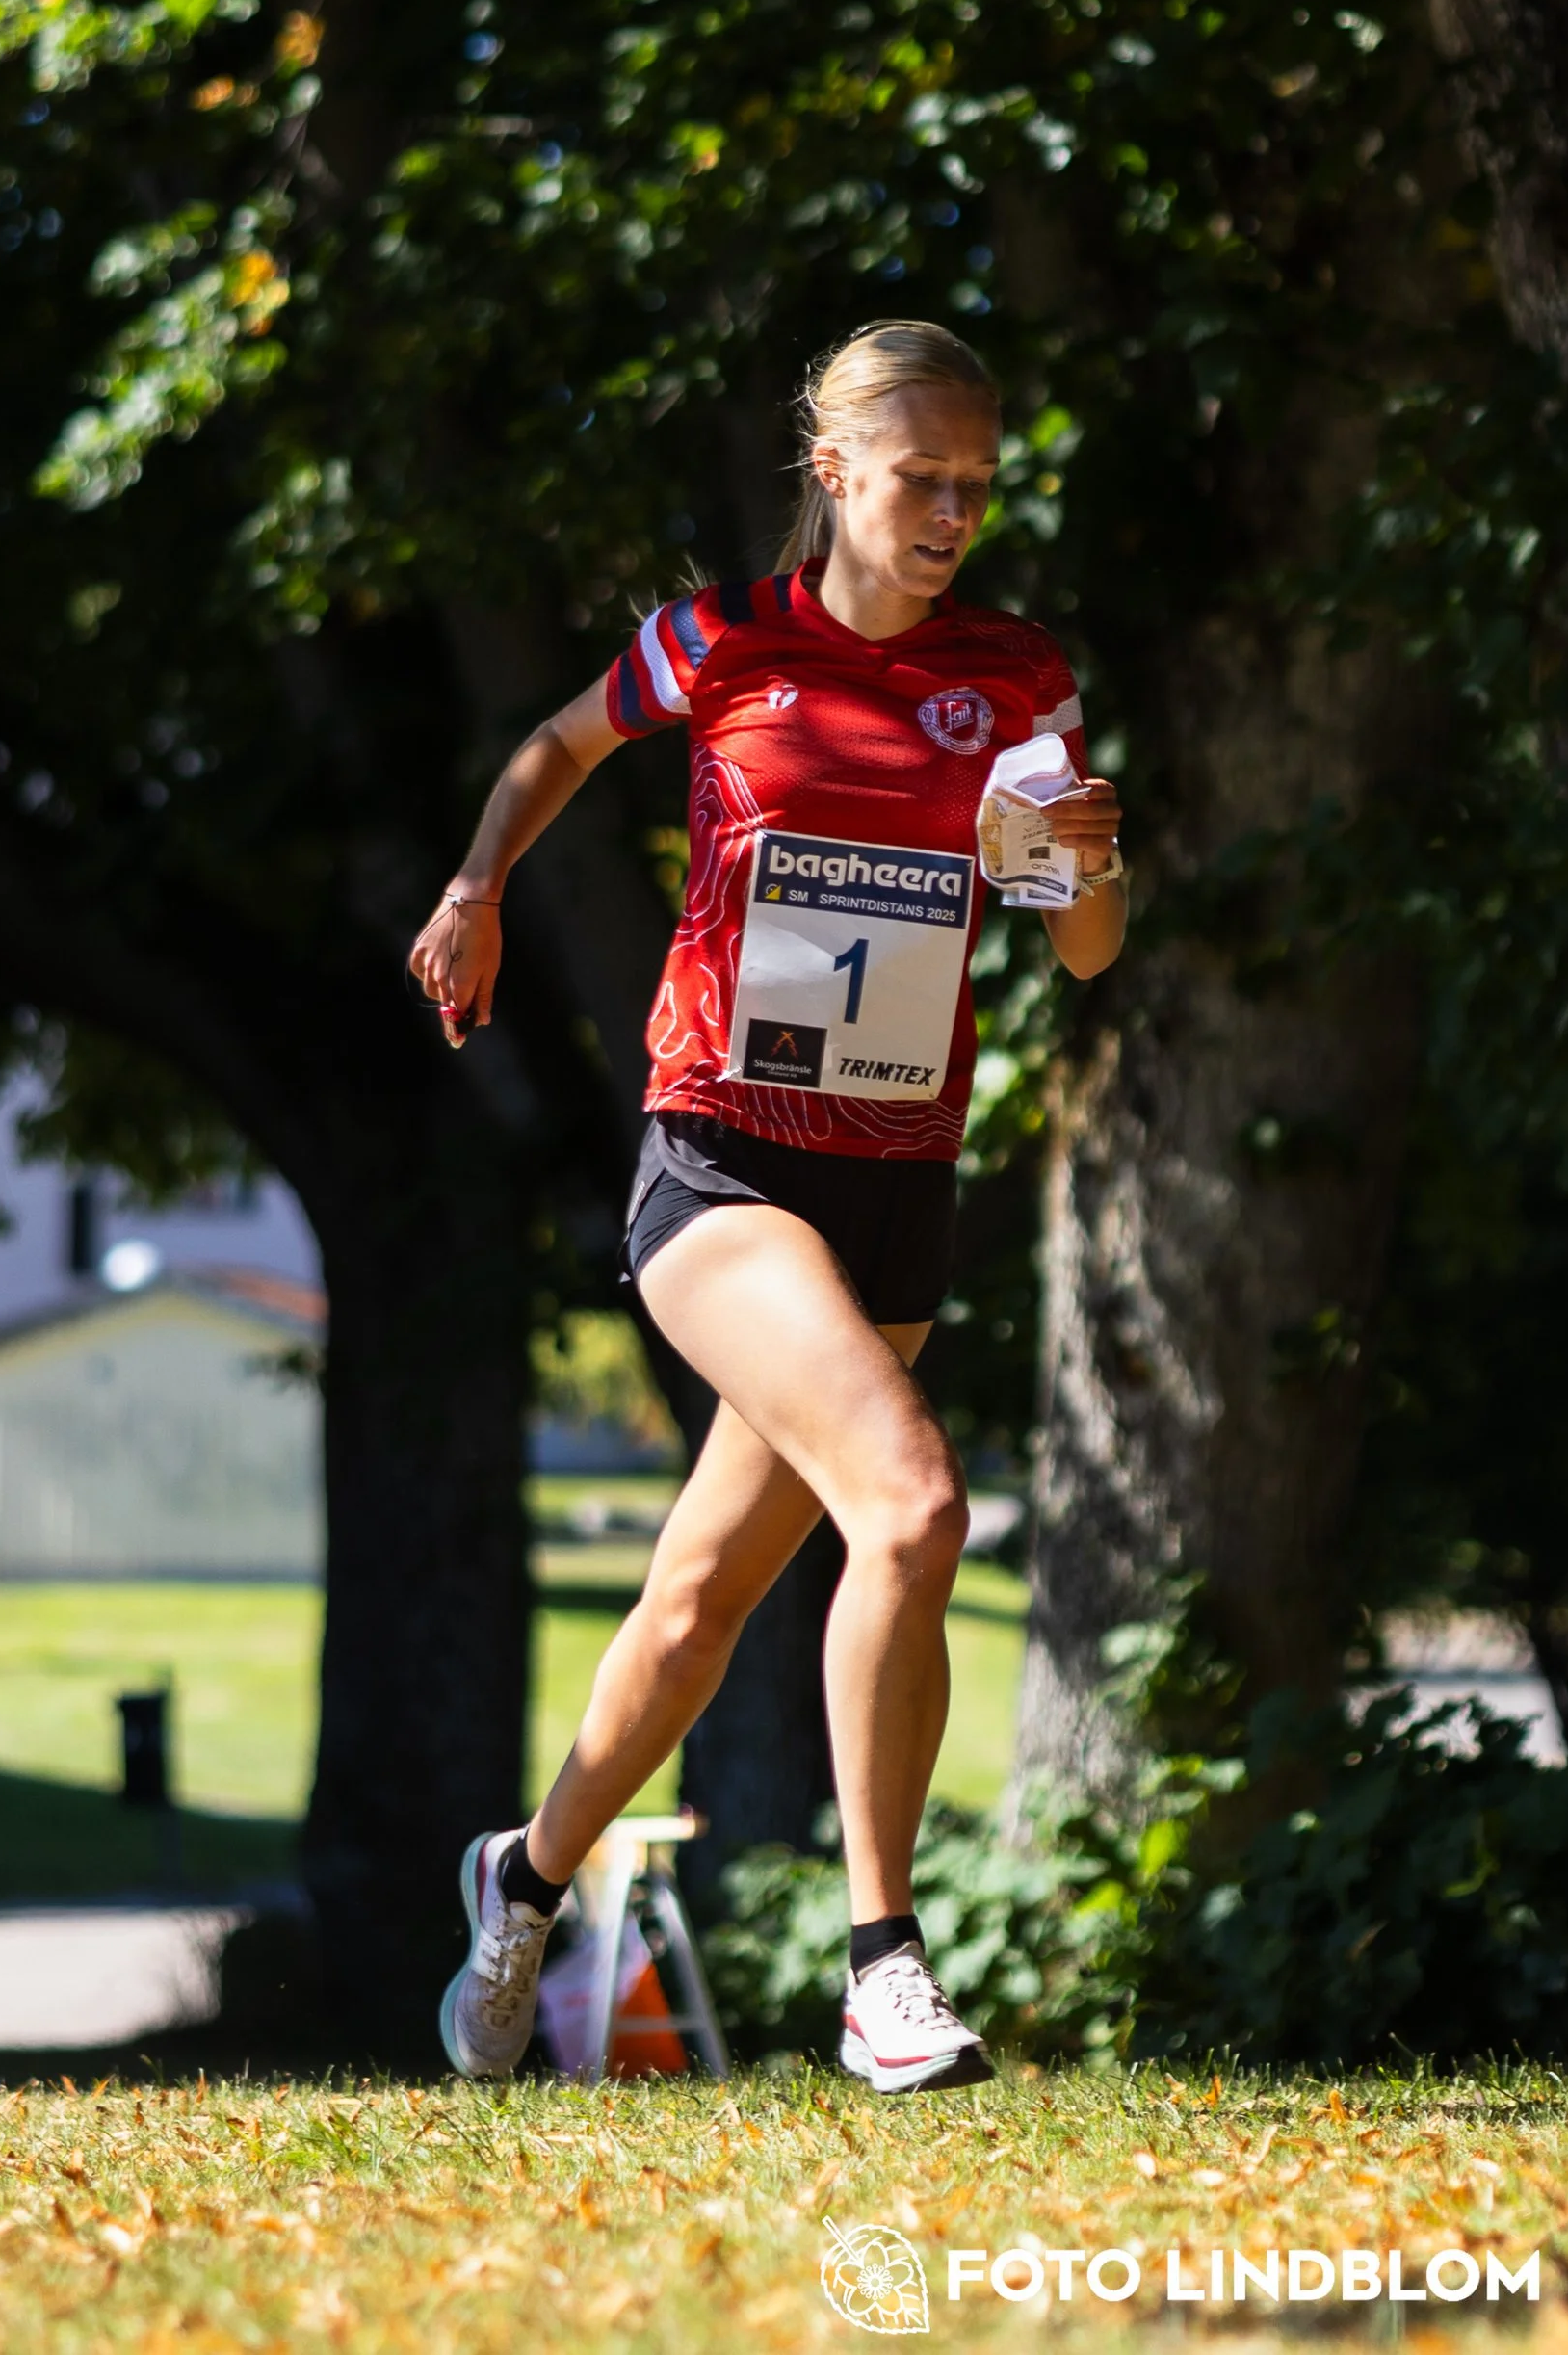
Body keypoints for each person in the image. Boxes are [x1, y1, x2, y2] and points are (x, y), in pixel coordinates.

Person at [406, 320, 1126, 2091]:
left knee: (693, 1610)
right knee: (915, 1503)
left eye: (978, 480)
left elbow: (1082, 947)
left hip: (896, 1181)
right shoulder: (726, 640)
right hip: (721, 1161)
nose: (954, 509)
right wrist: (482, 881)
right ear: (836, 468)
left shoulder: (1018, 680)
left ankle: (525, 1878)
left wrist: (1090, 861)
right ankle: (888, 1973)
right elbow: (555, 746)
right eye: (921, 476)